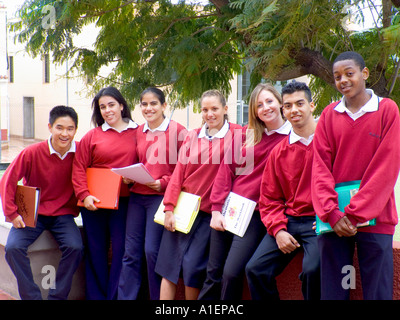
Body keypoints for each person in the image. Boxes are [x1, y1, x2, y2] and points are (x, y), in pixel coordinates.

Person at [312, 51, 400, 300]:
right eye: (337, 76)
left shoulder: (387, 110)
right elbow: (320, 168)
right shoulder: (329, 115)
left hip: (377, 217)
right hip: (335, 221)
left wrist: (353, 214)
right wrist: (332, 212)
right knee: (335, 290)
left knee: (377, 291)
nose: (343, 81)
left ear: (364, 74)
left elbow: (386, 168)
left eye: (349, 74)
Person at [198, 83, 291, 300]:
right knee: (213, 273)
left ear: (279, 103)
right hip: (228, 209)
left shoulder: (290, 138)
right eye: (259, 105)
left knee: (231, 273)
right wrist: (216, 210)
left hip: (256, 214)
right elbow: (225, 173)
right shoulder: (246, 135)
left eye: (269, 101)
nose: (265, 108)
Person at [155, 89, 242, 300]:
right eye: (205, 109)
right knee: (168, 269)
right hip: (182, 208)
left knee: (193, 268)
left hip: (209, 213)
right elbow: (178, 175)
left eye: (214, 109)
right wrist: (168, 208)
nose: (209, 114)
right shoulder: (192, 135)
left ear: (225, 109)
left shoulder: (238, 134)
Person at [245, 81, 320, 300]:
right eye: (288, 106)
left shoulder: (328, 143)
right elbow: (268, 198)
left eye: (299, 103)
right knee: (255, 269)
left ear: (312, 105)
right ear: (283, 109)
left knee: (312, 270)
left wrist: (329, 217)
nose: (293, 110)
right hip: (288, 220)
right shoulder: (279, 152)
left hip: (319, 221)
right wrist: (278, 230)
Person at [0, 106, 83, 300]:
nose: (64, 134)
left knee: (76, 247)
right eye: (59, 128)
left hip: (63, 214)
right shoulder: (32, 152)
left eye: (70, 129)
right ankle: (32, 297)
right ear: (50, 127)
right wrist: (12, 213)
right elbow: (8, 180)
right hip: (33, 214)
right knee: (12, 248)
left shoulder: (80, 153)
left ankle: (57, 297)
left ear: (75, 130)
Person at [118, 87, 187, 300]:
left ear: (164, 106)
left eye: (154, 103)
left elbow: (184, 169)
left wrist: (164, 183)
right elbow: (138, 161)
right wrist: (128, 176)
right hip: (137, 198)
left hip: (161, 199)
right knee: (130, 253)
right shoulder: (139, 131)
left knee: (151, 252)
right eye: (144, 104)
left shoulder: (178, 131)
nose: (149, 108)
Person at [72, 86, 138, 300]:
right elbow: (79, 168)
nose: (107, 110)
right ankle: (97, 297)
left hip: (125, 204)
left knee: (122, 252)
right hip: (94, 204)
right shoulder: (92, 136)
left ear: (121, 105)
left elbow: (147, 165)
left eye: (111, 105)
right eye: (102, 107)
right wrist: (84, 194)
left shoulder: (139, 133)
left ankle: (115, 297)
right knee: (96, 252)